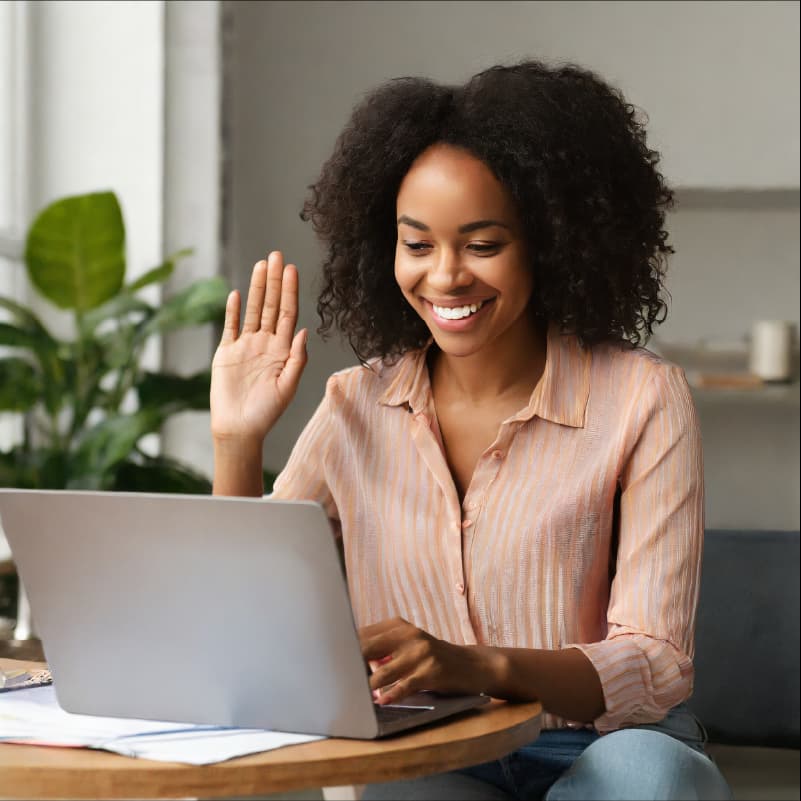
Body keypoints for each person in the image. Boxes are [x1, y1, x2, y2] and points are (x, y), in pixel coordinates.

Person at [209, 60, 733, 800]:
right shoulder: (353, 405)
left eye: (483, 244)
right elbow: (241, 622)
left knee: (644, 779)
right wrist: (236, 440)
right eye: (417, 244)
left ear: (550, 242)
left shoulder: (643, 399)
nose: (445, 276)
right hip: (431, 747)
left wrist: (480, 664)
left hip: (603, 744)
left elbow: (654, 662)